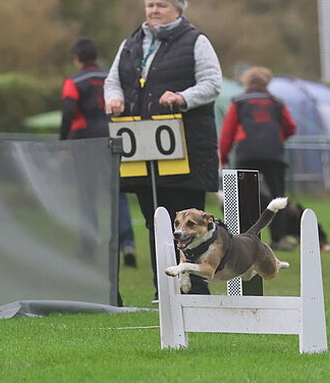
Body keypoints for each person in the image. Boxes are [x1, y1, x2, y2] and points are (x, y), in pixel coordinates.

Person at [104, 0, 222, 301]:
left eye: (162, 4)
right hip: (143, 150)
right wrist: (114, 98)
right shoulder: (131, 43)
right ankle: (165, 289)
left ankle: (194, 289)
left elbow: (211, 84)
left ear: (179, 8)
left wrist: (182, 98)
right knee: (154, 221)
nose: (154, 9)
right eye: (150, 4)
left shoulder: (196, 40)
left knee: (189, 222)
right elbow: (113, 81)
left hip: (186, 149)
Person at [60, 37, 138, 269]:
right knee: (118, 194)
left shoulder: (73, 81)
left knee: (87, 197)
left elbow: (68, 111)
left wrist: (63, 142)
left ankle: (88, 246)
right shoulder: (109, 79)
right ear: (95, 55)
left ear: (77, 58)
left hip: (83, 145)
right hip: (113, 141)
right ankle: (128, 244)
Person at [219, 66, 297, 251]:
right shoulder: (277, 102)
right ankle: (278, 239)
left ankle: (238, 235)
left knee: (239, 194)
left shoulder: (239, 102)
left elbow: (228, 132)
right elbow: (291, 127)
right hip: (273, 152)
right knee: (278, 195)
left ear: (246, 82)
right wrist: (276, 138)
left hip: (247, 152)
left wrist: (223, 155)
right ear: (266, 82)